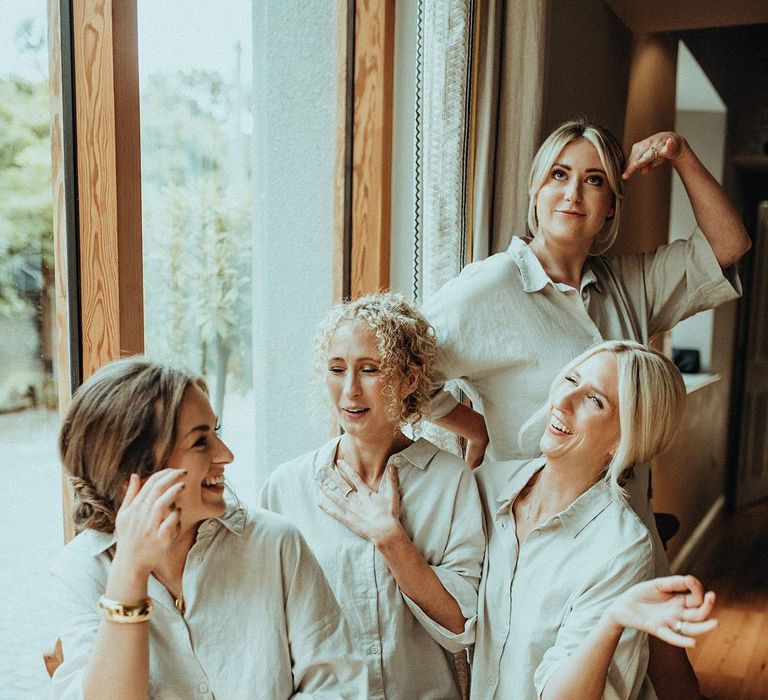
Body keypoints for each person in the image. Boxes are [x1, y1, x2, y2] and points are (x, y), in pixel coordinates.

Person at [424, 118, 750, 697]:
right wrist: (463, 418)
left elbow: (728, 246)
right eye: (558, 174)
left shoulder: (628, 284)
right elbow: (402, 362)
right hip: (545, 536)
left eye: (593, 180)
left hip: (627, 525)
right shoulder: (491, 287)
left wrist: (680, 156)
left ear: (610, 207)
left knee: (671, 674)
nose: (572, 193)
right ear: (534, 191)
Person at [49, 358, 365, 699]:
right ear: (130, 472)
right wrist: (130, 570)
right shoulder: (82, 569)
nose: (226, 455)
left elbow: (336, 686)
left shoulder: (275, 544)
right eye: (200, 442)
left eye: (216, 432)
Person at [260, 292, 486, 700]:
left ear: (409, 379)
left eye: (370, 369)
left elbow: (460, 628)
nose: (350, 391)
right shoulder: (286, 487)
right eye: (336, 369)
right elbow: (268, 630)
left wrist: (391, 540)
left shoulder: (449, 482)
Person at [471, 341, 717, 699]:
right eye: (571, 380)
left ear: (624, 440)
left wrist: (613, 619)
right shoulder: (484, 485)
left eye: (595, 400)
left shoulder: (620, 547)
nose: (564, 401)